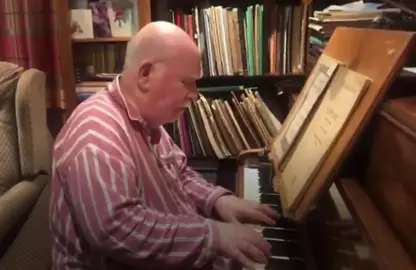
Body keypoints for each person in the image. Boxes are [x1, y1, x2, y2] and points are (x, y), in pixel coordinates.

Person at [49, 21, 280, 270]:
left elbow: (178, 172)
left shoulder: (145, 117)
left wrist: (217, 201)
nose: (195, 94)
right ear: (146, 74)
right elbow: (118, 229)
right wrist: (214, 236)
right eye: (187, 82)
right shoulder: (96, 136)